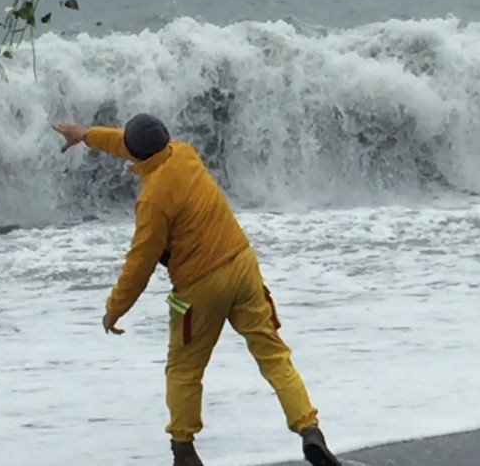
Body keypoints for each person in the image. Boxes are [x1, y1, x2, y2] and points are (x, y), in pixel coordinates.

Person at [53, 114, 342, 466]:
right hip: (242, 264)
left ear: (136, 152)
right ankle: (310, 430)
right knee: (273, 355)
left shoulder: (153, 200)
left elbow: (140, 263)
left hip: (199, 288)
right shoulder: (185, 154)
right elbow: (125, 143)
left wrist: (115, 309)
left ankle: (184, 450)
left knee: (185, 369)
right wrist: (86, 136)